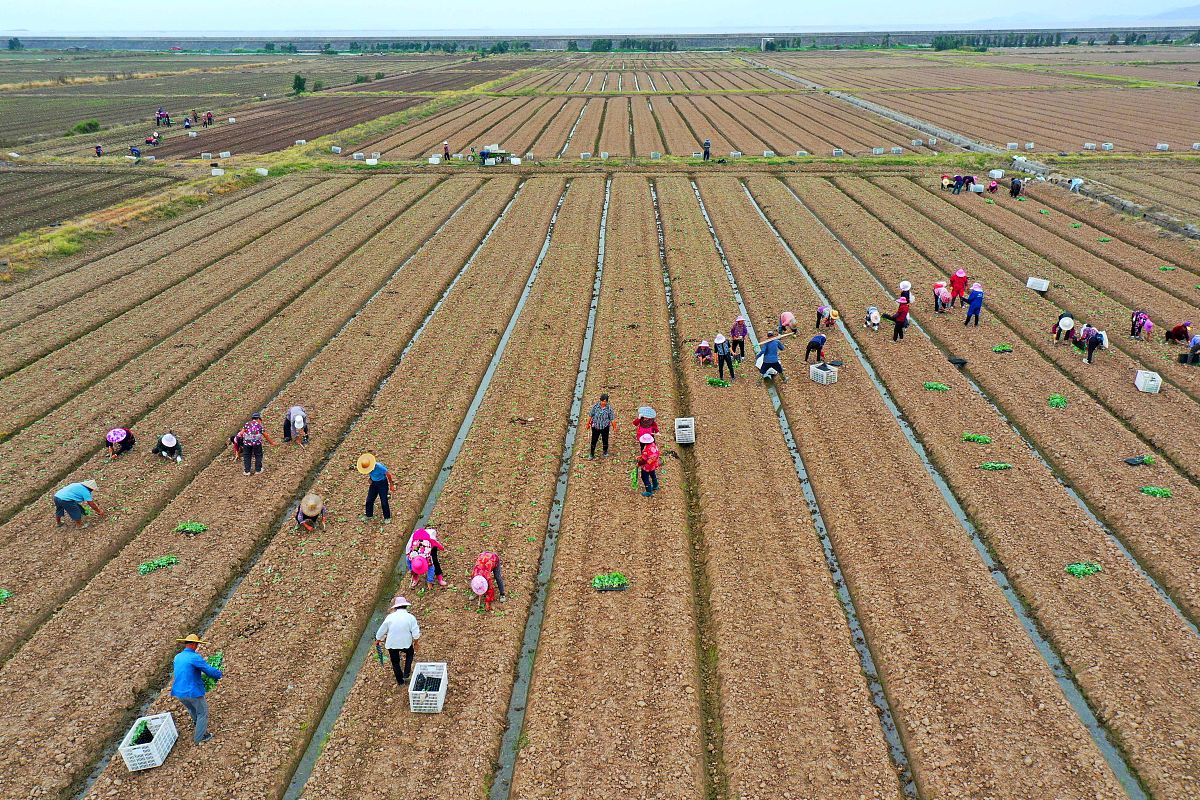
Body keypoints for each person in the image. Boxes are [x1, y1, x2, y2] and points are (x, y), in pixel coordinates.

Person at [171, 633, 222, 744]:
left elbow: (184, 671)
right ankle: (200, 738)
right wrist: (219, 674)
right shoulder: (194, 657)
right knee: (202, 712)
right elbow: (208, 670)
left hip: (179, 692)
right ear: (194, 645)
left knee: (192, 708)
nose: (197, 647)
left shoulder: (177, 657)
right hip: (192, 691)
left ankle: (197, 724)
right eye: (197, 644)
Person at [375, 596, 420, 687]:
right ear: (406, 606)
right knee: (410, 654)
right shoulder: (410, 617)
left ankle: (400, 682)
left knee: (395, 662)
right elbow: (415, 633)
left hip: (392, 644)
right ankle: (406, 673)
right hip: (405, 643)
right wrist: (416, 642)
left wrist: (378, 639)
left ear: (395, 607)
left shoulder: (390, 617)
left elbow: (382, 630)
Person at [359, 453, 395, 523]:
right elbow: (372, 474)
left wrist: (391, 485)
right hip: (374, 484)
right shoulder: (368, 468)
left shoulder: (379, 467)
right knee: (369, 500)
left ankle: (387, 517)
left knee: (384, 502)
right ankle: (369, 515)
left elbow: (388, 474)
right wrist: (370, 479)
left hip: (382, 484)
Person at [586, 393, 615, 459]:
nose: (604, 403)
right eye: (602, 401)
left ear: (607, 401)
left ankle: (605, 452)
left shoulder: (609, 409)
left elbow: (612, 419)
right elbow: (590, 415)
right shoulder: (595, 407)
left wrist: (614, 427)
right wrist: (587, 424)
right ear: (600, 400)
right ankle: (592, 454)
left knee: (605, 440)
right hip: (595, 427)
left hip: (605, 427)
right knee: (594, 440)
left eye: (605, 401)